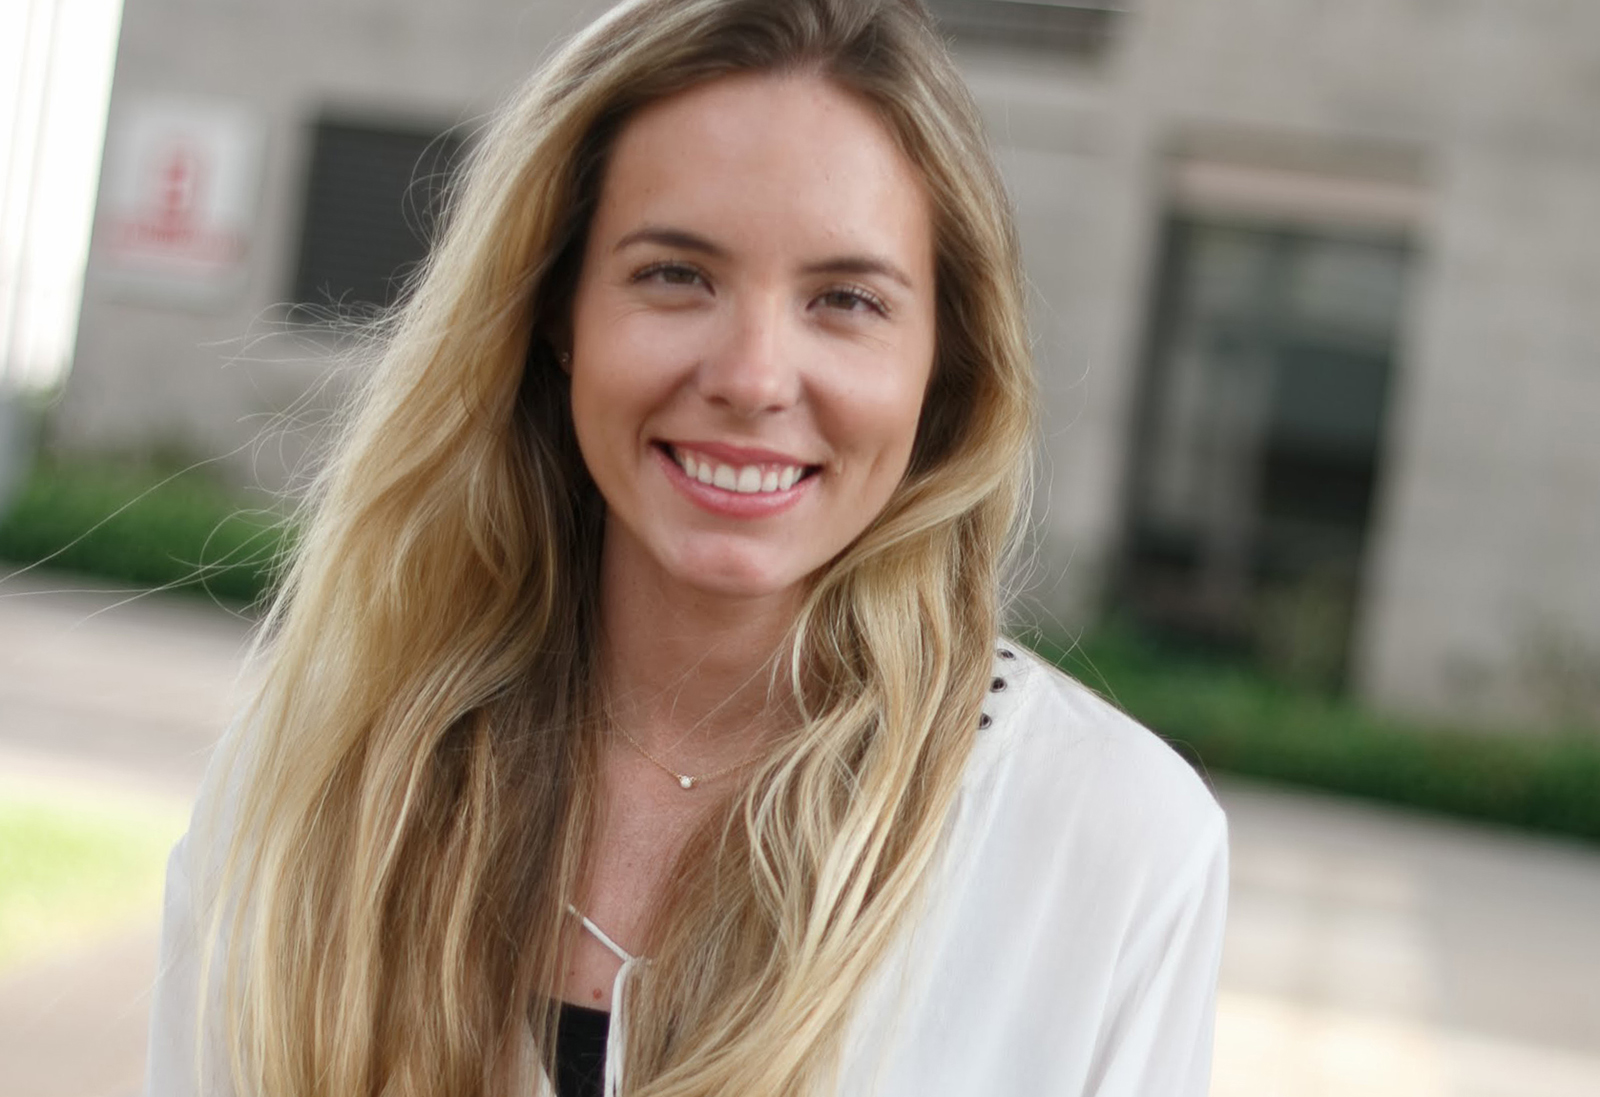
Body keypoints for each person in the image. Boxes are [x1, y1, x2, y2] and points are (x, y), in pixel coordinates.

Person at [147, 1, 1228, 1095]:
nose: (753, 375)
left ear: (941, 364)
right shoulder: (320, 772)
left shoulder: (1111, 843)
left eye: (845, 299)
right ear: (557, 310)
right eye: (676, 274)